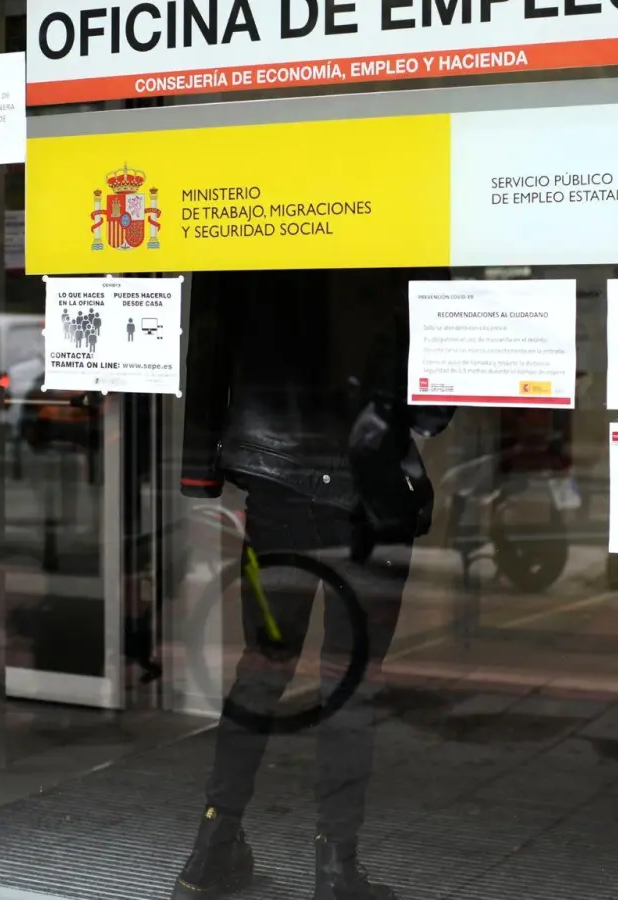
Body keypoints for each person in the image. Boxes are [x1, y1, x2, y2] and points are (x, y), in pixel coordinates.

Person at [173, 269, 453, 900]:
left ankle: (211, 848)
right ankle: (335, 867)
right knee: (350, 679)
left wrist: (199, 470)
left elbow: (210, 344)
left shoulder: (250, 220)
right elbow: (433, 398)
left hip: (274, 486)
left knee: (263, 663)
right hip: (375, 489)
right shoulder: (400, 223)